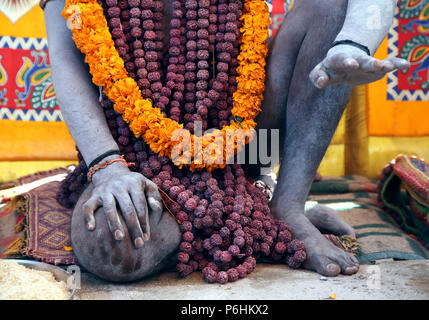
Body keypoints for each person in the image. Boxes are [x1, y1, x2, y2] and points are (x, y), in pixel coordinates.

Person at [43, 0, 410, 281]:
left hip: (241, 145)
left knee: (328, 6)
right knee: (109, 241)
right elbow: (64, 58)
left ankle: (287, 205)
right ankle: (242, 217)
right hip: (135, 155)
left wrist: (353, 41)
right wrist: (107, 168)